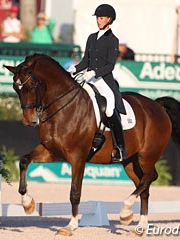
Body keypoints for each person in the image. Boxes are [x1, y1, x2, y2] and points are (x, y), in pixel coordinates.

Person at [68, 4, 127, 163]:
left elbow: (110, 65)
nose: (98, 21)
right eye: (97, 18)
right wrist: (73, 69)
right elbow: (85, 61)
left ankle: (120, 147)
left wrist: (94, 72)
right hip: (87, 76)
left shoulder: (113, 40)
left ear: (109, 19)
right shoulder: (91, 37)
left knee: (109, 109)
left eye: (101, 18)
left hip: (103, 79)